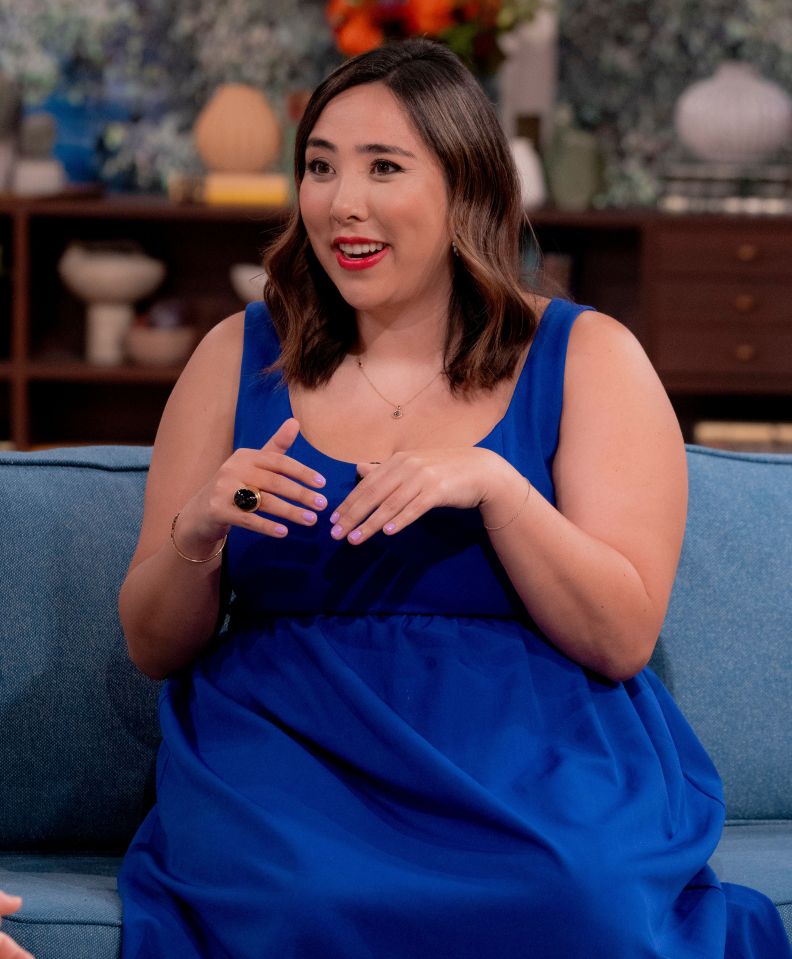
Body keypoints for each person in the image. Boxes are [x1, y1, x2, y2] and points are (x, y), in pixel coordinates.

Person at [117, 38, 790, 959]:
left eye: (384, 167)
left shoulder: (588, 357)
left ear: (467, 187)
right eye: (320, 167)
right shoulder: (237, 354)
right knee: (304, 900)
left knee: (578, 897)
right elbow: (153, 646)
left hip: (533, 756)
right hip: (289, 757)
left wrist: (500, 491)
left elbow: (621, 633)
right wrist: (195, 536)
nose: (342, 202)